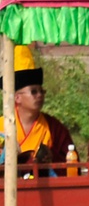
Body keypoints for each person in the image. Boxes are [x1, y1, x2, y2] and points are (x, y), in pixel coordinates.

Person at [9, 44, 75, 175]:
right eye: (33, 92)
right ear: (17, 98)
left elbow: (72, 166)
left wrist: (51, 160)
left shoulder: (54, 128)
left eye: (41, 91)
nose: (39, 95)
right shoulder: (2, 126)